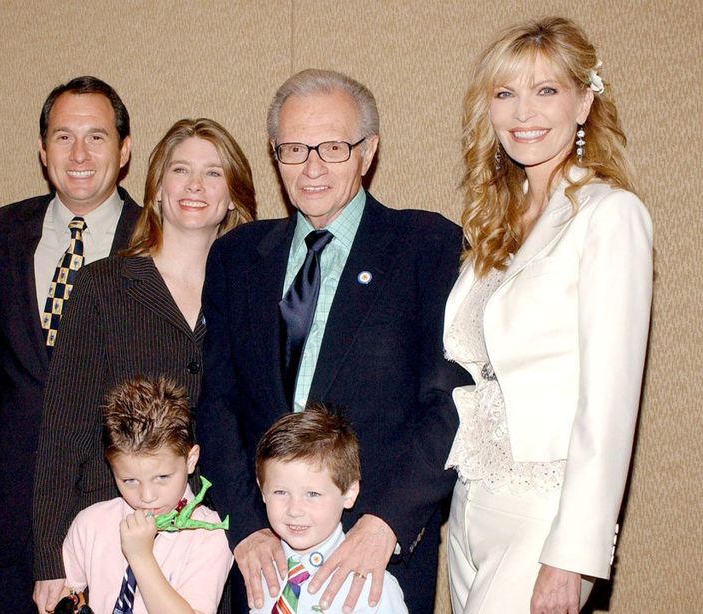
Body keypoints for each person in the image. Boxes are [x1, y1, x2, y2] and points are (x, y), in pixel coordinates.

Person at [197, 69, 469, 614]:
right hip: (261, 555)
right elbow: (216, 404)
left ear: (368, 152)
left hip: (376, 553)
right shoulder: (236, 257)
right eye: (294, 149)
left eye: (334, 147)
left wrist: (387, 522)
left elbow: (451, 404)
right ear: (274, 154)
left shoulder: (425, 247)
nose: (312, 166)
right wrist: (247, 528)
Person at [443, 17, 653, 614]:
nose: (523, 112)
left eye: (547, 91)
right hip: (470, 502)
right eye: (505, 93)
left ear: (585, 102)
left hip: (546, 515)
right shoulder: (494, 226)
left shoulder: (610, 215)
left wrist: (576, 552)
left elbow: (609, 403)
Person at [31, 117, 256, 611]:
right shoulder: (101, 287)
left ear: (234, 196)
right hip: (110, 529)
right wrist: (50, 557)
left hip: (223, 535)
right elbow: (63, 428)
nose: (195, 186)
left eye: (214, 173)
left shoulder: (254, 294)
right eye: (181, 170)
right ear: (156, 189)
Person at [0, 76, 142, 614]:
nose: (80, 153)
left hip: (122, 508)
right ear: (43, 151)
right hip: (13, 513)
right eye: (63, 136)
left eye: (97, 136)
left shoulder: (157, 239)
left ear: (125, 149)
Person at [60, 376, 233, 613]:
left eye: (162, 477)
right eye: (129, 480)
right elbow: (67, 593)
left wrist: (140, 556)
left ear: (190, 459)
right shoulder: (92, 522)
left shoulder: (208, 533)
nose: (147, 496)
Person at [252, 405, 408, 614]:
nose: (295, 510)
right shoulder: (259, 573)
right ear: (263, 490)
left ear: (349, 493)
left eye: (312, 494)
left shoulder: (372, 589)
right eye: (281, 492)